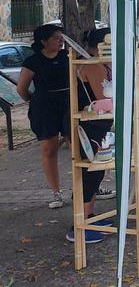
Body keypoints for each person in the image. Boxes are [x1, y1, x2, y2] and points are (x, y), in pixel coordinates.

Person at [16, 25, 83, 210]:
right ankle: (56, 192)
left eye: (61, 37)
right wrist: (33, 100)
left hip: (68, 103)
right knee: (48, 148)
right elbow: (22, 89)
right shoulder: (33, 61)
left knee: (76, 146)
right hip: (44, 106)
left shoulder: (67, 57)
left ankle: (84, 188)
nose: (60, 41)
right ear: (43, 41)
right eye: (55, 38)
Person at [65, 28, 116, 243]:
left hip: (99, 124)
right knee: (90, 172)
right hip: (89, 125)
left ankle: (90, 215)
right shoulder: (93, 65)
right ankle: (80, 223)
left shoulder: (103, 64)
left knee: (98, 171)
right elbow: (103, 97)